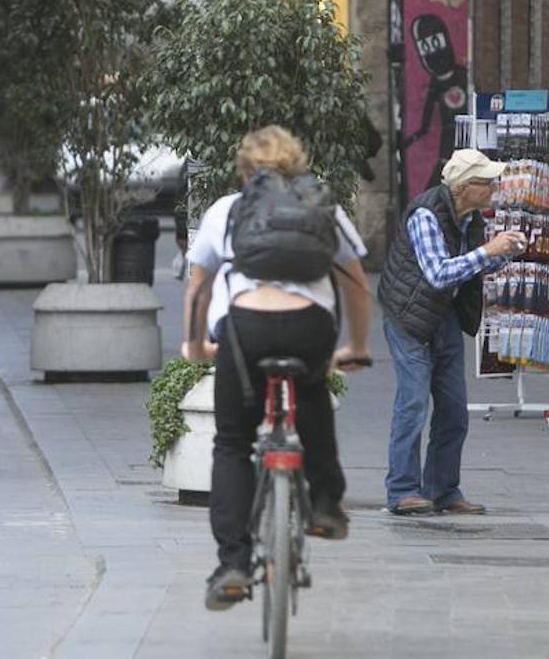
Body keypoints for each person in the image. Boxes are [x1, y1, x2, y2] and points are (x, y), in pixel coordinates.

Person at [182, 126, 372, 611]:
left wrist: (196, 345)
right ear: (297, 163)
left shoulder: (226, 210)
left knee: (231, 442)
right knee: (310, 394)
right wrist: (355, 345)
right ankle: (326, 503)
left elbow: (199, 289)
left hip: (244, 329)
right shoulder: (322, 204)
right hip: (309, 327)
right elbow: (355, 282)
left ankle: (234, 564)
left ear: (245, 170)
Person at [379, 148, 525, 516]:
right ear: (462, 187)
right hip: (409, 316)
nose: (493, 187)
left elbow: (467, 268)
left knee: (454, 409)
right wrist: (488, 250)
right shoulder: (426, 215)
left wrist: (505, 252)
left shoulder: (470, 218)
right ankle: (402, 490)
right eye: (485, 182)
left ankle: (443, 489)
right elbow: (438, 274)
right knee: (412, 403)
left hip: (443, 315)